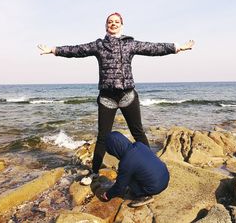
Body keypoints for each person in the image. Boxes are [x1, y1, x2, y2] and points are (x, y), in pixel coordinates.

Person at [37, 12, 194, 184]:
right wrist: (53, 50)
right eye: (110, 22)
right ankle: (94, 172)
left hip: (127, 95)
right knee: (103, 136)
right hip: (107, 98)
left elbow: (153, 48)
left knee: (138, 133)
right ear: (106, 26)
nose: (113, 24)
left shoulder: (130, 44)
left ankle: (150, 166)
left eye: (116, 22)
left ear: (122, 25)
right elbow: (77, 50)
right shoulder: (98, 45)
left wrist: (177, 47)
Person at [100, 131, 170, 207]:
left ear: (113, 149)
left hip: (155, 187)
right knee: (133, 171)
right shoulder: (139, 144)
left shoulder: (126, 162)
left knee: (126, 177)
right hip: (165, 177)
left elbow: (119, 187)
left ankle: (144, 196)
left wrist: (108, 195)